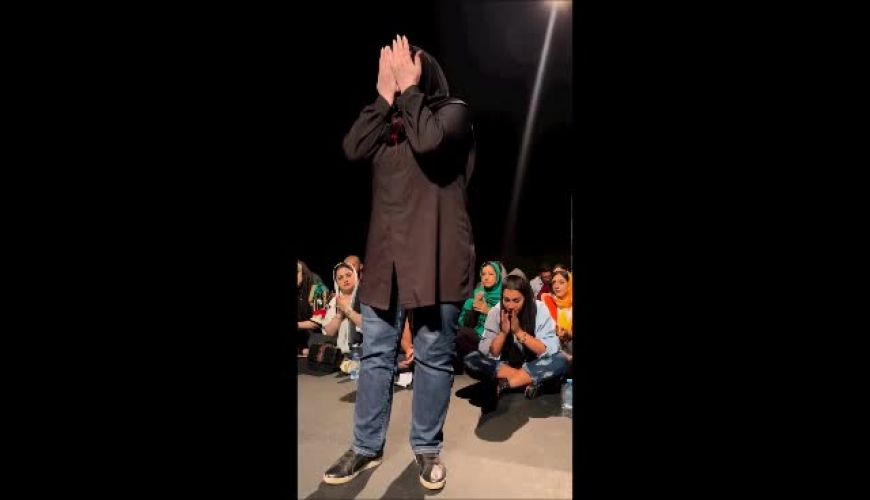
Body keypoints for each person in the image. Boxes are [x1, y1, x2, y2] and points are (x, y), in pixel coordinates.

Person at [322, 35, 475, 491]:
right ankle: (365, 446)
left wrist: (409, 89)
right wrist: (382, 95)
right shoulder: (387, 122)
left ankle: (426, 449)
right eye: (395, 68)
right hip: (385, 257)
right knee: (375, 355)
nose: (399, 72)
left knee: (432, 356)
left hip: (436, 254)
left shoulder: (452, 113)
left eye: (407, 66)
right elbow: (353, 146)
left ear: (425, 72)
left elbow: (428, 143)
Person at [463, 274, 569, 401]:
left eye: (516, 301)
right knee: (471, 359)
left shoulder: (539, 309)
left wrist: (519, 332)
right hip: (505, 366)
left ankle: (505, 384)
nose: (510, 306)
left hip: (534, 363)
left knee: (560, 360)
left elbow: (546, 349)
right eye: (506, 300)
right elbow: (491, 352)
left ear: (526, 298)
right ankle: (528, 380)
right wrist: (503, 333)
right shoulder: (496, 312)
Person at [455, 262, 503, 370]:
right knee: (456, 331)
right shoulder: (477, 294)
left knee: (460, 333)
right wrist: (473, 307)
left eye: (491, 274)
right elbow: (467, 324)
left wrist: (488, 311)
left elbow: (507, 323)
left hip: (495, 339)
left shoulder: (505, 296)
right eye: (483, 274)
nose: (486, 277)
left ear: (498, 277)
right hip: (477, 334)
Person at [539, 270, 573, 364]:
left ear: (569, 284)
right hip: (556, 353)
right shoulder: (548, 303)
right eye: (554, 282)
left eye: (561, 282)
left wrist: (568, 333)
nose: (556, 286)